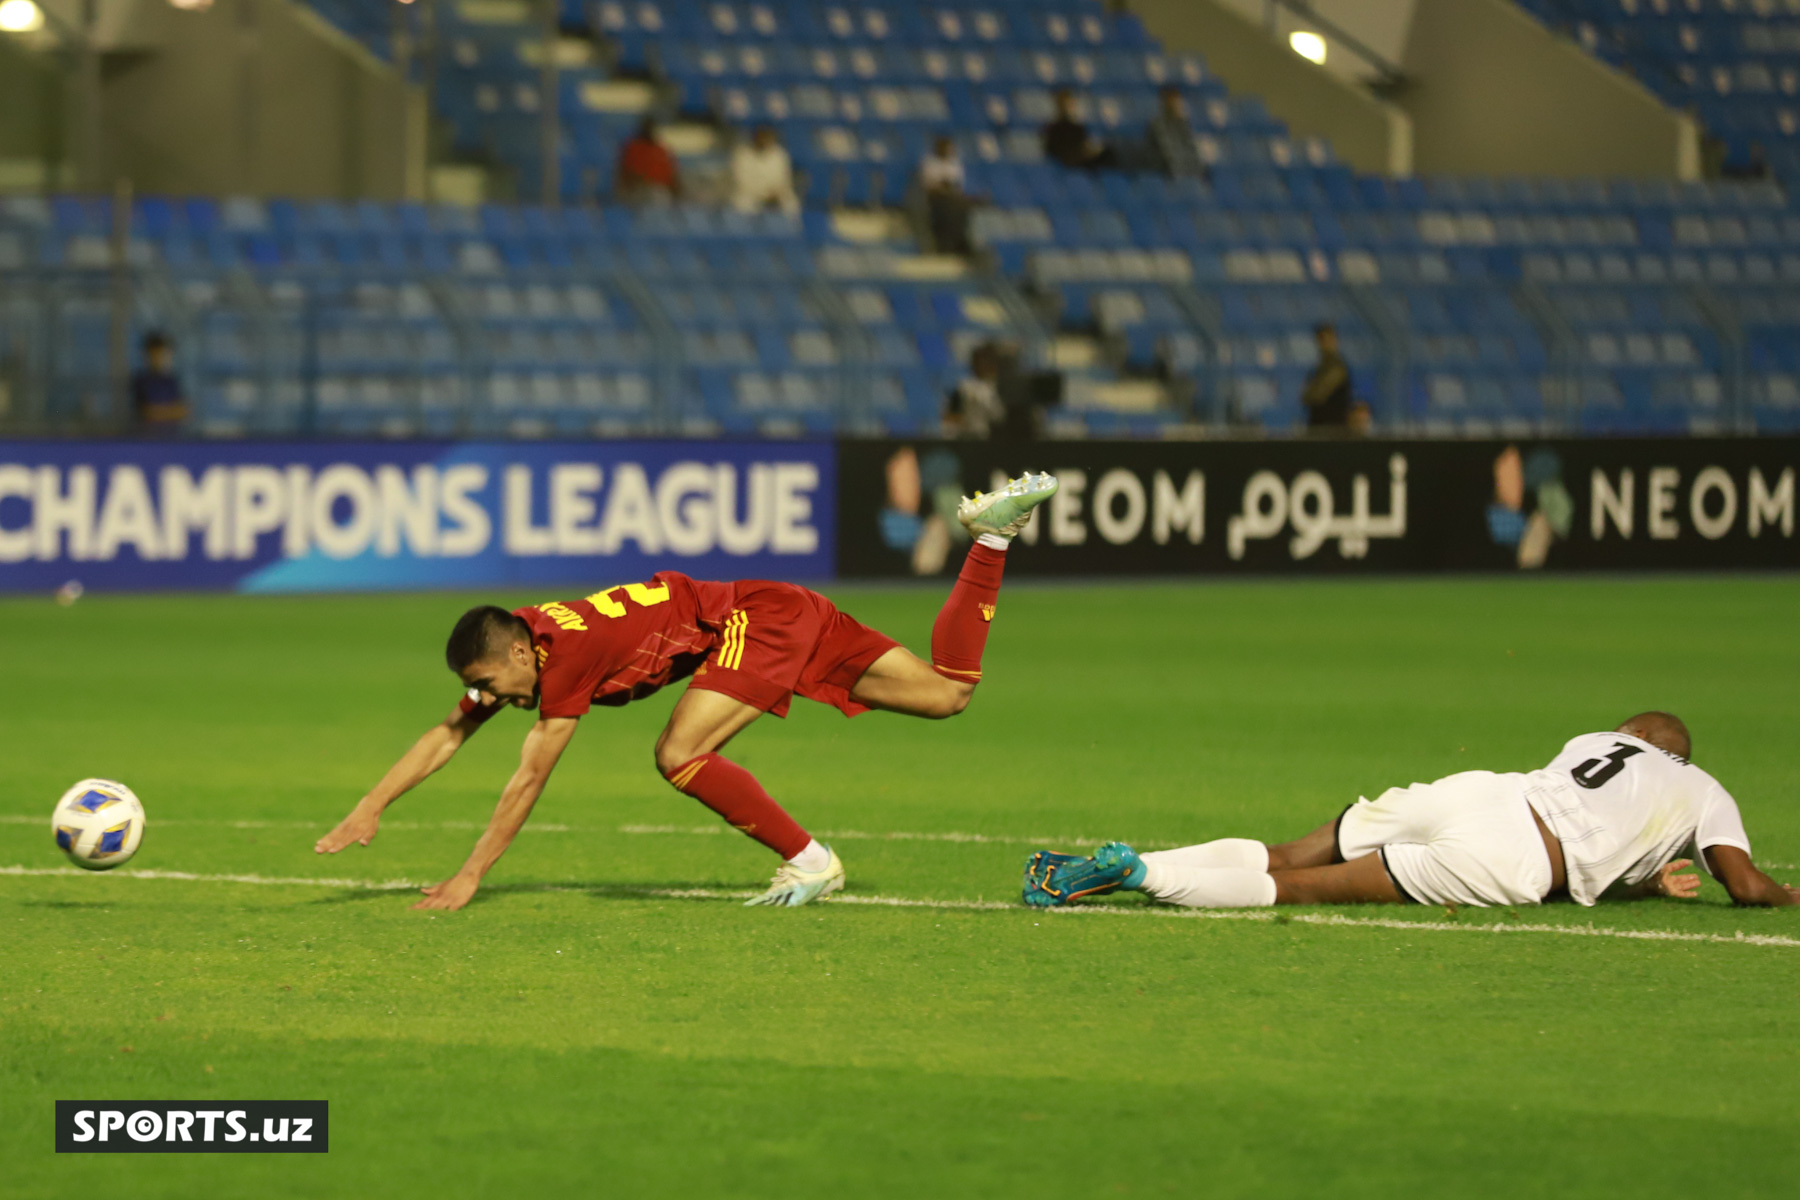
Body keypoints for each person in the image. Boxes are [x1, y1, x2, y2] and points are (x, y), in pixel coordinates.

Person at [317, 473, 1062, 911]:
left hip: (755, 618)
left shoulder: (561, 658)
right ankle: (993, 540)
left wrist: (470, 876)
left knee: (679, 752)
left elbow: (526, 780)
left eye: (488, 683)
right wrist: (370, 805)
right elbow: (449, 732)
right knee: (946, 693)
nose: (489, 696)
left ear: (516, 652)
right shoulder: (526, 645)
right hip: (780, 607)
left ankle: (809, 861)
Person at [1023, 711, 1798, 912]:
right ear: (1679, 756)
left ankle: (1140, 858)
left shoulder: (1595, 739)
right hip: (1514, 858)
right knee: (1296, 896)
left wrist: (1640, 879)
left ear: (1629, 735)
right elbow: (1749, 887)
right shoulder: (1703, 790)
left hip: (1482, 789)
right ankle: (1141, 875)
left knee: (1287, 855)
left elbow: (1599, 817)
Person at [918, 135, 973, 255]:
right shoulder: (930, 163)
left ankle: (962, 242)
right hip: (935, 199)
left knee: (964, 206)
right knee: (951, 207)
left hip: (952, 198)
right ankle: (946, 244)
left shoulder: (954, 163)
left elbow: (956, 184)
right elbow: (930, 186)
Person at [729, 124, 799, 216]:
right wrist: (764, 194)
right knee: (742, 204)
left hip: (774, 193)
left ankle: (790, 229)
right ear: (755, 138)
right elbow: (742, 182)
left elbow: (783, 179)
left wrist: (775, 193)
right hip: (750, 194)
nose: (764, 140)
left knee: (791, 204)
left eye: (767, 137)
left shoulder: (780, 154)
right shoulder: (743, 154)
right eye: (762, 137)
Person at [942, 342, 1007, 438]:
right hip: (968, 438)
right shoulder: (964, 388)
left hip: (991, 438)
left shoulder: (998, 388)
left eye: (988, 362)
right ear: (974, 364)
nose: (984, 366)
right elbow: (951, 416)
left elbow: (999, 417)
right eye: (980, 362)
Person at [1042, 89, 1115, 170]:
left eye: (1070, 104)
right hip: (1071, 162)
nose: (1069, 107)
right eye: (1065, 104)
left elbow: (1083, 144)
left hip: (1079, 158)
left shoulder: (1077, 127)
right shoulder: (1054, 128)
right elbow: (1052, 150)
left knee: (1108, 153)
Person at [129, 331, 187, 433]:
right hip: (147, 438)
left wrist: (159, 412)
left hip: (172, 437)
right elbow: (146, 413)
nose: (158, 359)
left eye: (161, 354)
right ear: (147, 355)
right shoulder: (140, 381)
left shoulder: (172, 381)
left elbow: (183, 411)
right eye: (154, 354)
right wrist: (170, 411)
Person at [615, 117, 681, 205]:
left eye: (651, 128)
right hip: (641, 191)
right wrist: (645, 184)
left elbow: (673, 174)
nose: (649, 130)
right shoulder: (633, 147)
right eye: (647, 127)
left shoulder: (661, 149)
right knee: (658, 197)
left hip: (662, 190)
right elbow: (627, 172)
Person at [1300, 322, 1352, 431]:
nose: (1325, 344)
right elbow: (1305, 396)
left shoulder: (1338, 367)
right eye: (1321, 340)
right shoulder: (1319, 368)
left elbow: (1317, 395)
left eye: (1329, 339)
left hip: (1333, 430)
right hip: (1318, 428)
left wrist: (1311, 391)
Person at [1147, 85, 1203, 179]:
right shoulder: (1157, 125)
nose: (1177, 105)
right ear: (1165, 103)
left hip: (1186, 168)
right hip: (1167, 170)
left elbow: (1191, 148)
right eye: (1172, 102)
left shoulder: (1183, 124)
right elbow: (1167, 152)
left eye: (1178, 101)